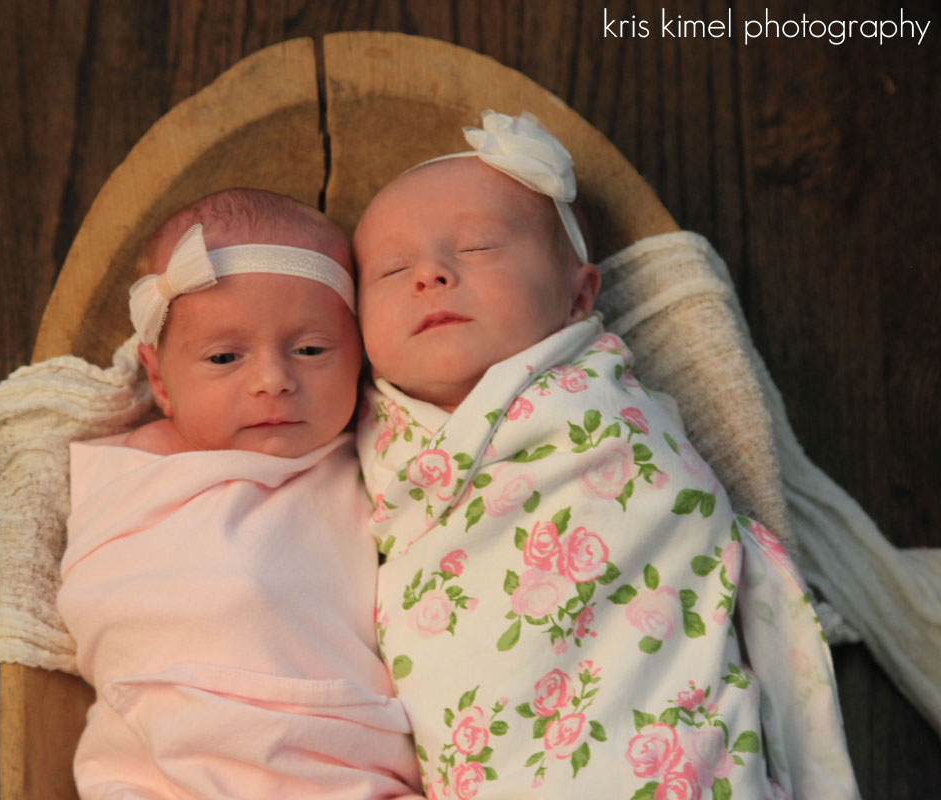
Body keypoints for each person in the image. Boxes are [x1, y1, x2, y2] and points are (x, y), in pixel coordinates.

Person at [352, 111, 859, 798]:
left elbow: (669, 520)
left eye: (476, 247)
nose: (431, 274)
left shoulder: (599, 406)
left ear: (578, 296)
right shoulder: (354, 437)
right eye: (391, 268)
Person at [56, 189, 423, 799]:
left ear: (360, 356)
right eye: (225, 357)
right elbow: (103, 599)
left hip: (338, 756)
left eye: (310, 350)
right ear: (159, 380)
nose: (273, 381)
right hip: (167, 752)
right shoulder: (139, 470)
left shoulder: (378, 452)